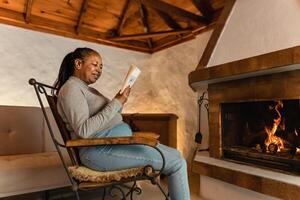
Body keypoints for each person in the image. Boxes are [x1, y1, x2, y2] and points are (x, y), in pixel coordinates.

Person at [54, 47, 190, 200]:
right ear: (78, 63)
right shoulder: (71, 88)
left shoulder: (85, 89)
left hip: (116, 144)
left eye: (101, 67)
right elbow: (84, 130)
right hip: (99, 151)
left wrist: (119, 100)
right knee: (177, 162)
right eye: (94, 64)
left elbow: (108, 117)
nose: (99, 69)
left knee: (176, 156)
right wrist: (116, 103)